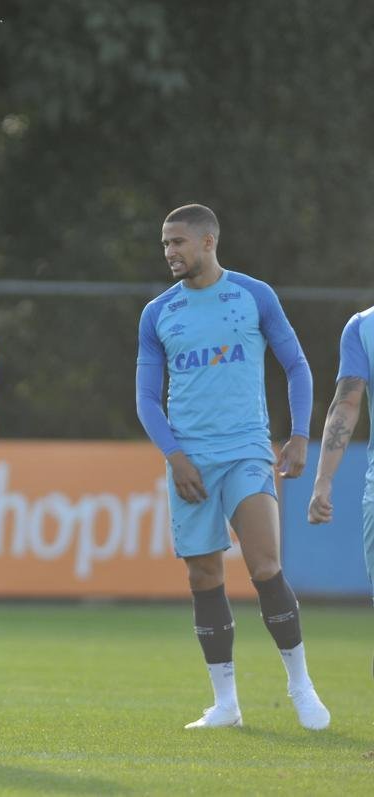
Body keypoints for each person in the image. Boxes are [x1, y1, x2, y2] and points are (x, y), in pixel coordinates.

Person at [135, 204, 330, 730]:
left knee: (265, 565)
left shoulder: (254, 295)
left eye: (177, 242)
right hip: (191, 460)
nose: (170, 252)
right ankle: (226, 704)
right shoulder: (158, 313)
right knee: (204, 576)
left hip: (246, 450)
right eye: (165, 244)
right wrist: (175, 457)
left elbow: (297, 366)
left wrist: (298, 435)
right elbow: (147, 401)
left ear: (207, 242)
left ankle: (301, 686)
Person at [307, 308, 374, 605]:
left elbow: (346, 405)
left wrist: (324, 481)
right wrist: (322, 480)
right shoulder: (362, 327)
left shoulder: (363, 326)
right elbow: (346, 404)